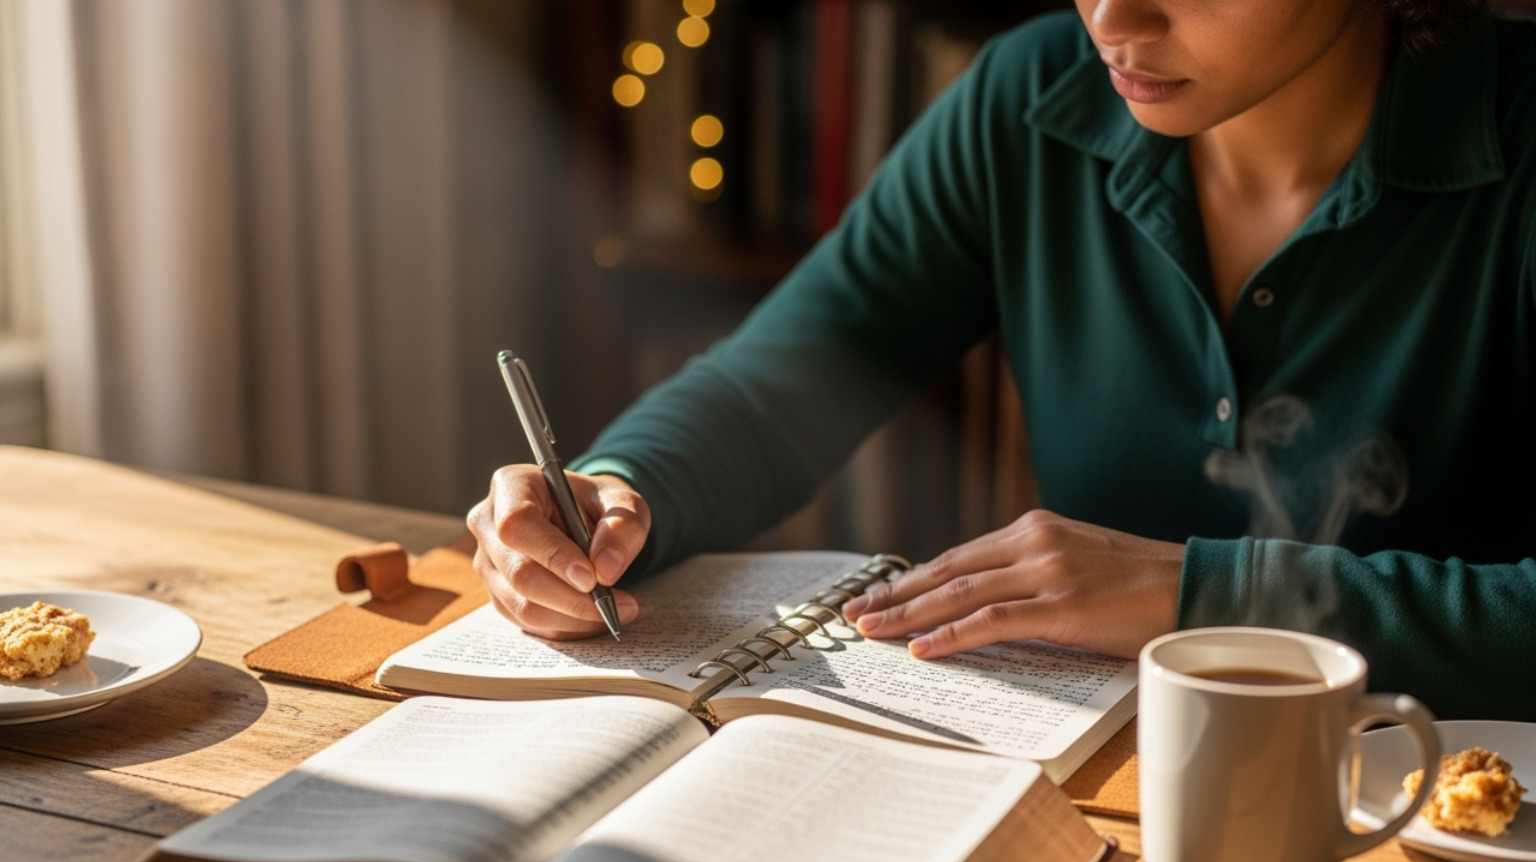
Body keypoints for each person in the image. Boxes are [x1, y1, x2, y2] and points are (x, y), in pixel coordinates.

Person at [469, 0, 1536, 721]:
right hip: (1089, 790)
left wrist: (1212, 595)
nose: (1113, 18)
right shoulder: (1031, 96)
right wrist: (616, 492)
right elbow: (783, 382)